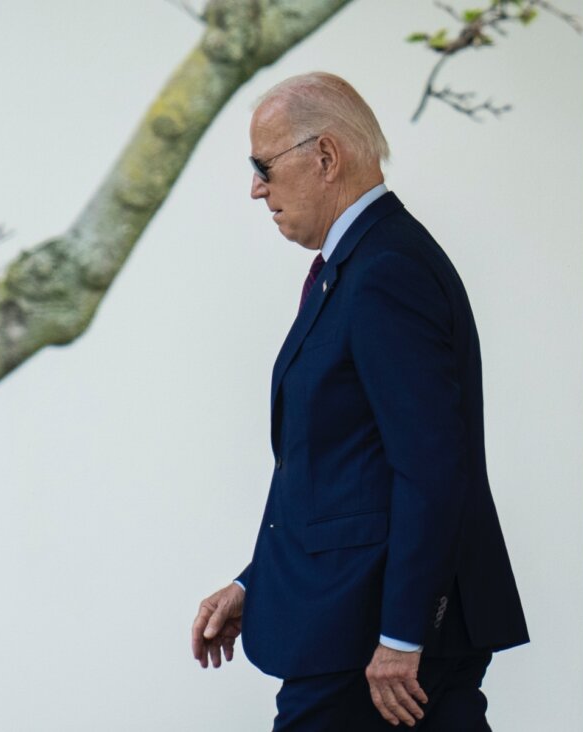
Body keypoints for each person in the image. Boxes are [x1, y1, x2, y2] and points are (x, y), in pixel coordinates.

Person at [189, 72, 529, 730]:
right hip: (363, 628)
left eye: (263, 165)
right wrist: (256, 584)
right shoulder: (359, 267)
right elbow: (348, 474)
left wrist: (402, 639)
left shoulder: (384, 271)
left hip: (366, 643)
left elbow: (431, 466)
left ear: (324, 157)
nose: (256, 187)